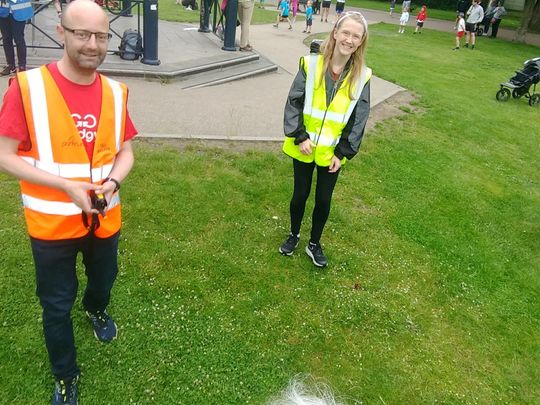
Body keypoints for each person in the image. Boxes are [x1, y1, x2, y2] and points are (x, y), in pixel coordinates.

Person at [0, 1, 137, 404]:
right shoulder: (26, 88)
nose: (92, 44)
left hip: (104, 218)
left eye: (100, 36)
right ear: (61, 33)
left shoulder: (116, 92)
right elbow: (5, 154)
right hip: (52, 226)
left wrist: (113, 181)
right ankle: (65, 374)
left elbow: (125, 152)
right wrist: (66, 186)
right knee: (56, 305)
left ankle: (96, 308)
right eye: (82, 34)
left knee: (103, 281)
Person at [279, 11, 371, 267]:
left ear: (361, 42)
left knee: (323, 200)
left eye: (356, 36)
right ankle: (294, 234)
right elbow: (294, 101)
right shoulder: (311, 65)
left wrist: (342, 153)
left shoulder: (362, 76)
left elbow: (358, 119)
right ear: (335, 33)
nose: (349, 39)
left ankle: (314, 243)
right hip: (304, 145)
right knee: (300, 194)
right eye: (346, 32)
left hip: (331, 153)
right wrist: (300, 136)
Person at [0, 0, 33, 76]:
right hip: (3, 11)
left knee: (19, 40)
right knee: (6, 39)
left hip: (20, 12)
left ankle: (22, 66)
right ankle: (10, 66)